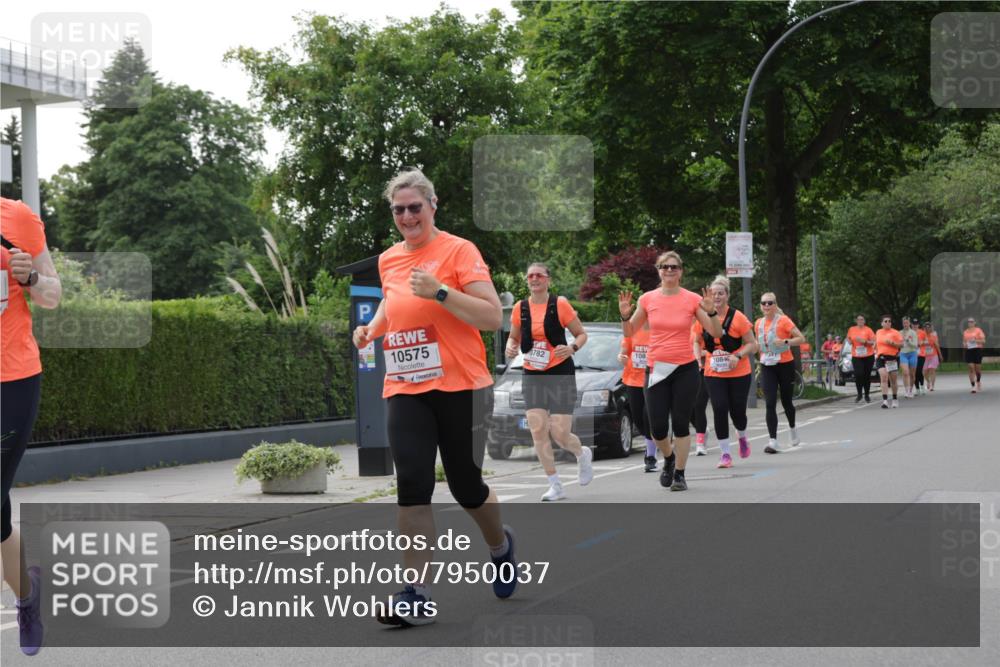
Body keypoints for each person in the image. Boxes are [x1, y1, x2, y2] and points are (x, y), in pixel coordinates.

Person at [351, 169, 516, 626]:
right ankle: (416, 593)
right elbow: (392, 303)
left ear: (432, 205)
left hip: (460, 385)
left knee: (466, 485)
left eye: (414, 208)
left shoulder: (459, 251)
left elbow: (490, 318)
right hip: (406, 386)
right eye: (399, 210)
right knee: (413, 483)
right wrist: (372, 329)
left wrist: (441, 291)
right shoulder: (389, 259)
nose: (407, 216)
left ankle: (500, 546)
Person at [1, 197, 62, 655]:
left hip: (11, 381)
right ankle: (28, 594)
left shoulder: (16, 218)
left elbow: (53, 297)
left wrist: (31, 277)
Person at [619, 251, 721, 492]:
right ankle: (668, 458)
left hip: (685, 368)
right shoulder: (647, 299)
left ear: (681, 271)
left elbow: (716, 333)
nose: (669, 271)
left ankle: (680, 474)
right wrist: (624, 315)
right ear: (658, 270)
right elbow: (629, 331)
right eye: (665, 267)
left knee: (681, 423)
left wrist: (712, 311)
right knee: (657, 427)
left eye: (674, 267)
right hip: (656, 369)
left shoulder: (692, 299)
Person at [505, 262, 591, 501]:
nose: (535, 279)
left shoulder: (560, 305)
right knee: (538, 430)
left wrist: (572, 347)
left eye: (539, 275)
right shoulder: (520, 308)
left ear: (548, 280)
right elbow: (513, 337)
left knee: (560, 434)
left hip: (560, 372)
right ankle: (555, 484)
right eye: (531, 275)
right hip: (533, 373)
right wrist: (510, 347)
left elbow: (582, 334)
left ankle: (581, 454)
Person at [692, 276, 757, 469]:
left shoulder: (738, 318)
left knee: (738, 412)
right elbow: (696, 340)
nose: (717, 296)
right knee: (719, 408)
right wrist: (698, 358)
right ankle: (725, 453)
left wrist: (737, 356)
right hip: (714, 372)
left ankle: (742, 436)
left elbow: (753, 345)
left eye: (721, 293)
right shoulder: (702, 317)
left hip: (739, 372)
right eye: (713, 293)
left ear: (727, 296)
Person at [755, 293, 806, 453]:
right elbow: (759, 344)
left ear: (775, 305)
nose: (767, 306)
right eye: (764, 303)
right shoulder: (758, 323)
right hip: (767, 366)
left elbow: (801, 338)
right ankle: (773, 441)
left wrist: (786, 341)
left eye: (770, 303)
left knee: (786, 401)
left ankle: (792, 429)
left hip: (785, 365)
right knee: (770, 402)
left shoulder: (784, 320)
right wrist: (760, 358)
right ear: (760, 306)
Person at [618, 324, 656, 472]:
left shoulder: (658, 329)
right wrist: (621, 357)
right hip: (633, 379)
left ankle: (651, 456)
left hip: (653, 379)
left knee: (648, 416)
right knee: (638, 418)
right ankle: (652, 444)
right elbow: (623, 352)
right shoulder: (632, 329)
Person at [846, 315, 877, 403]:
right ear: (856, 321)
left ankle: (867, 394)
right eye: (859, 319)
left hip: (868, 356)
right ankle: (859, 394)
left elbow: (873, 342)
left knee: (867, 376)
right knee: (859, 374)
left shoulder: (868, 330)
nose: (860, 321)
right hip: (857, 356)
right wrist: (849, 341)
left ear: (864, 321)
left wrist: (865, 341)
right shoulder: (851, 329)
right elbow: (848, 338)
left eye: (862, 319)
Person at [875, 315, 904, 408]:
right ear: (882, 323)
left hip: (892, 358)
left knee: (893, 380)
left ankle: (895, 399)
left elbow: (902, 345)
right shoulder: (878, 332)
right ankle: (885, 401)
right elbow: (876, 343)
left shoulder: (895, 332)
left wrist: (892, 343)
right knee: (883, 377)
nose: (888, 323)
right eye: (886, 321)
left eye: (889, 321)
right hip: (881, 357)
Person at [691, 323, 710, 457]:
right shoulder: (679, 325)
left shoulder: (703, 324)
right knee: (686, 407)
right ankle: (701, 429)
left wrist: (703, 352)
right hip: (685, 370)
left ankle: (700, 443)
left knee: (699, 405)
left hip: (705, 369)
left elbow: (718, 347)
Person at [963, 317, 987, 393]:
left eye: (972, 322)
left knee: (978, 369)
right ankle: (973, 386)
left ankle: (978, 381)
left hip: (977, 350)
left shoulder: (978, 330)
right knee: (971, 367)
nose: (970, 323)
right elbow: (964, 341)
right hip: (969, 351)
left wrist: (975, 340)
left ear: (974, 323)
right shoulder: (965, 332)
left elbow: (983, 341)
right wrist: (964, 344)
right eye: (969, 322)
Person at [899, 317, 919, 399]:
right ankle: (907, 390)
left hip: (912, 354)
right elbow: (898, 344)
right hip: (903, 354)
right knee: (905, 372)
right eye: (904, 323)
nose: (905, 324)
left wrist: (908, 341)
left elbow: (915, 345)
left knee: (912, 374)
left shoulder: (913, 333)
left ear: (909, 323)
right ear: (902, 324)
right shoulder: (899, 333)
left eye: (907, 323)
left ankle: (911, 390)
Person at [922, 321, 942, 392]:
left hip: (933, 355)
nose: (927, 329)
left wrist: (940, 355)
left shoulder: (933, 336)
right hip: (925, 356)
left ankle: (932, 386)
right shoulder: (922, 336)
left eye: (929, 327)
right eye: (926, 327)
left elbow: (937, 346)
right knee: (924, 372)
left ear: (931, 328)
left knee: (932, 370)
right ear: (924, 328)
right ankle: (928, 381)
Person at [914, 319, 927, 395]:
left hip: (921, 354)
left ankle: (922, 386)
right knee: (914, 372)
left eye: (916, 324)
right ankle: (917, 389)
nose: (915, 325)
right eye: (913, 324)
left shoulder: (922, 332)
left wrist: (922, 342)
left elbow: (926, 341)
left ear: (918, 325)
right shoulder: (910, 333)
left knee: (919, 370)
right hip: (912, 354)